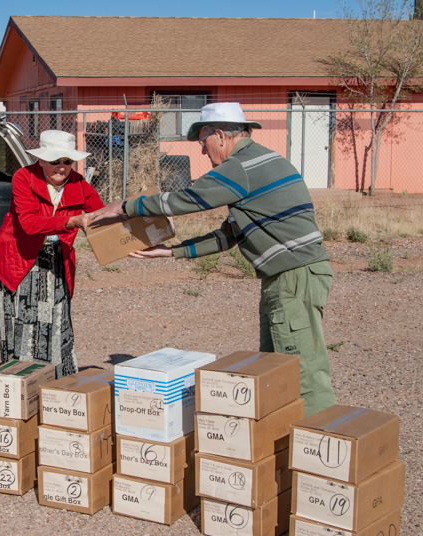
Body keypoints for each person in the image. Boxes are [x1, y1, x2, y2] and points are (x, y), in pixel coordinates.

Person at [90, 103, 336, 417]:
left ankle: (321, 445)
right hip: (289, 276)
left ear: (219, 135)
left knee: (301, 371)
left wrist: (126, 206)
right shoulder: (258, 163)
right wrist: (172, 251)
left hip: (294, 276)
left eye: (202, 141)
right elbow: (228, 235)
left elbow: (188, 199)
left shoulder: (241, 166)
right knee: (276, 365)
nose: (203, 152)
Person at [0, 130, 104, 378]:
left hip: (54, 263)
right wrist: (71, 220)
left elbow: (102, 215)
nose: (61, 168)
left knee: (56, 324)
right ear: (40, 160)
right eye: (55, 161)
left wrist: (134, 219)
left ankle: (56, 384)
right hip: (18, 262)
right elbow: (29, 224)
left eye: (67, 162)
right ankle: (15, 383)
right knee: (19, 324)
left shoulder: (79, 183)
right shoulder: (23, 177)